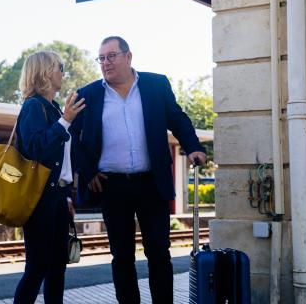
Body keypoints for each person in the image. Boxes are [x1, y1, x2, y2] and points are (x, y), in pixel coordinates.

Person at [71, 36, 206, 304]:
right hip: (113, 186)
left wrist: (193, 146)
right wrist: (87, 172)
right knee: (122, 256)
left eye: (111, 56)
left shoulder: (156, 85)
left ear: (128, 56)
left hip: (151, 183)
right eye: (101, 58)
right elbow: (73, 137)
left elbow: (176, 118)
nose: (105, 63)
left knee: (159, 253)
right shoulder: (89, 94)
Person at [13, 50, 85, 304]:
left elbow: (62, 163)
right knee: (37, 268)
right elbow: (36, 148)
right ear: (45, 72)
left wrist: (66, 196)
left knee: (57, 268)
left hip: (57, 199)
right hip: (39, 200)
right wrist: (65, 121)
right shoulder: (33, 106)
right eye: (59, 67)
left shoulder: (53, 109)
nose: (63, 73)